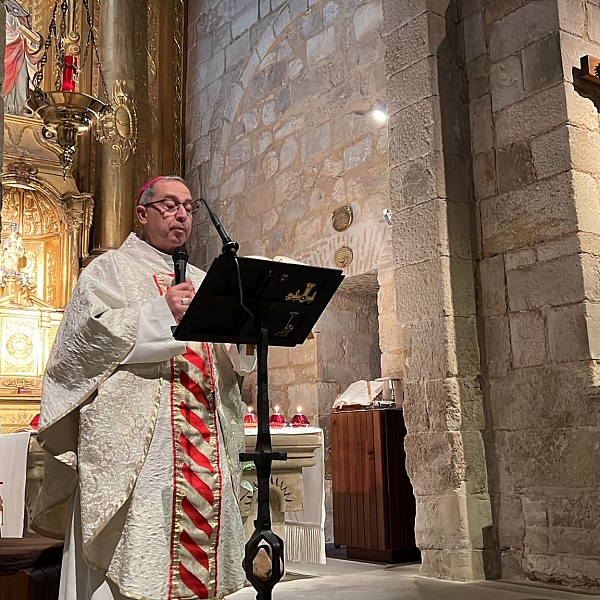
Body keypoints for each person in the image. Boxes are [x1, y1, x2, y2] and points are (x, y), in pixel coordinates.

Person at [32, 176, 254, 600]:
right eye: (169, 205)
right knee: (137, 554)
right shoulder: (109, 270)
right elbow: (81, 343)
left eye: (189, 207)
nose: (181, 214)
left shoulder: (208, 279)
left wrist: (244, 336)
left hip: (201, 442)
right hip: (140, 454)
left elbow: (229, 361)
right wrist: (157, 311)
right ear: (142, 213)